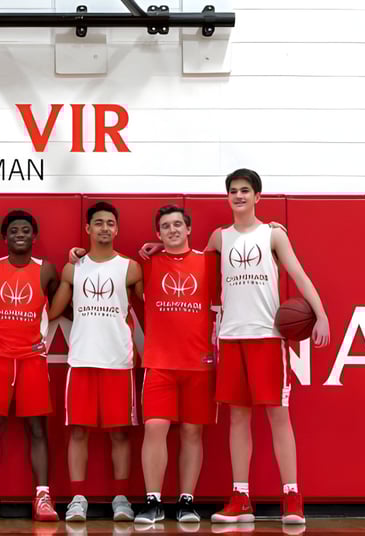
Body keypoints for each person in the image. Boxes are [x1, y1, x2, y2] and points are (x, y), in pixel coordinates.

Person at [141, 169, 330, 524]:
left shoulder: (273, 234)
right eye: (233, 191)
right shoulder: (219, 237)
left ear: (258, 197)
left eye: (245, 191)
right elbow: (189, 258)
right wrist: (158, 249)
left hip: (267, 338)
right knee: (238, 420)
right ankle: (241, 496)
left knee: (278, 417)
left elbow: (299, 274)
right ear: (227, 197)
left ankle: (291, 495)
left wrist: (321, 315)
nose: (239, 196)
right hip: (229, 338)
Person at [48, 201, 141, 523]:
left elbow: (154, 303)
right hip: (83, 358)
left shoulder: (130, 267)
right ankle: (77, 499)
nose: (104, 228)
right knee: (78, 432)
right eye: (98, 223)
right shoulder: (73, 268)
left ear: (116, 229)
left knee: (119, 434)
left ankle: (121, 499)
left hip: (118, 361)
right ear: (88, 229)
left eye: (110, 223)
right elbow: (53, 311)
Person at [0, 210, 60, 522]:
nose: (19, 234)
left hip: (32, 359)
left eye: (25, 230)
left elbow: (62, 302)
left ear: (33, 237)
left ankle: (43, 496)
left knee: (37, 428)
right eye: (12, 230)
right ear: (4, 237)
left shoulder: (46, 270)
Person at [133, 205, 218, 524]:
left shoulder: (208, 262)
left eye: (178, 224)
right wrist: (76, 254)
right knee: (155, 429)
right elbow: (103, 259)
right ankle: (153, 502)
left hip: (199, 363)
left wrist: (276, 228)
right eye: (165, 226)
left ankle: (186, 501)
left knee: (193, 433)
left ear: (188, 229)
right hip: (159, 363)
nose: (172, 230)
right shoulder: (148, 262)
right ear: (157, 234)